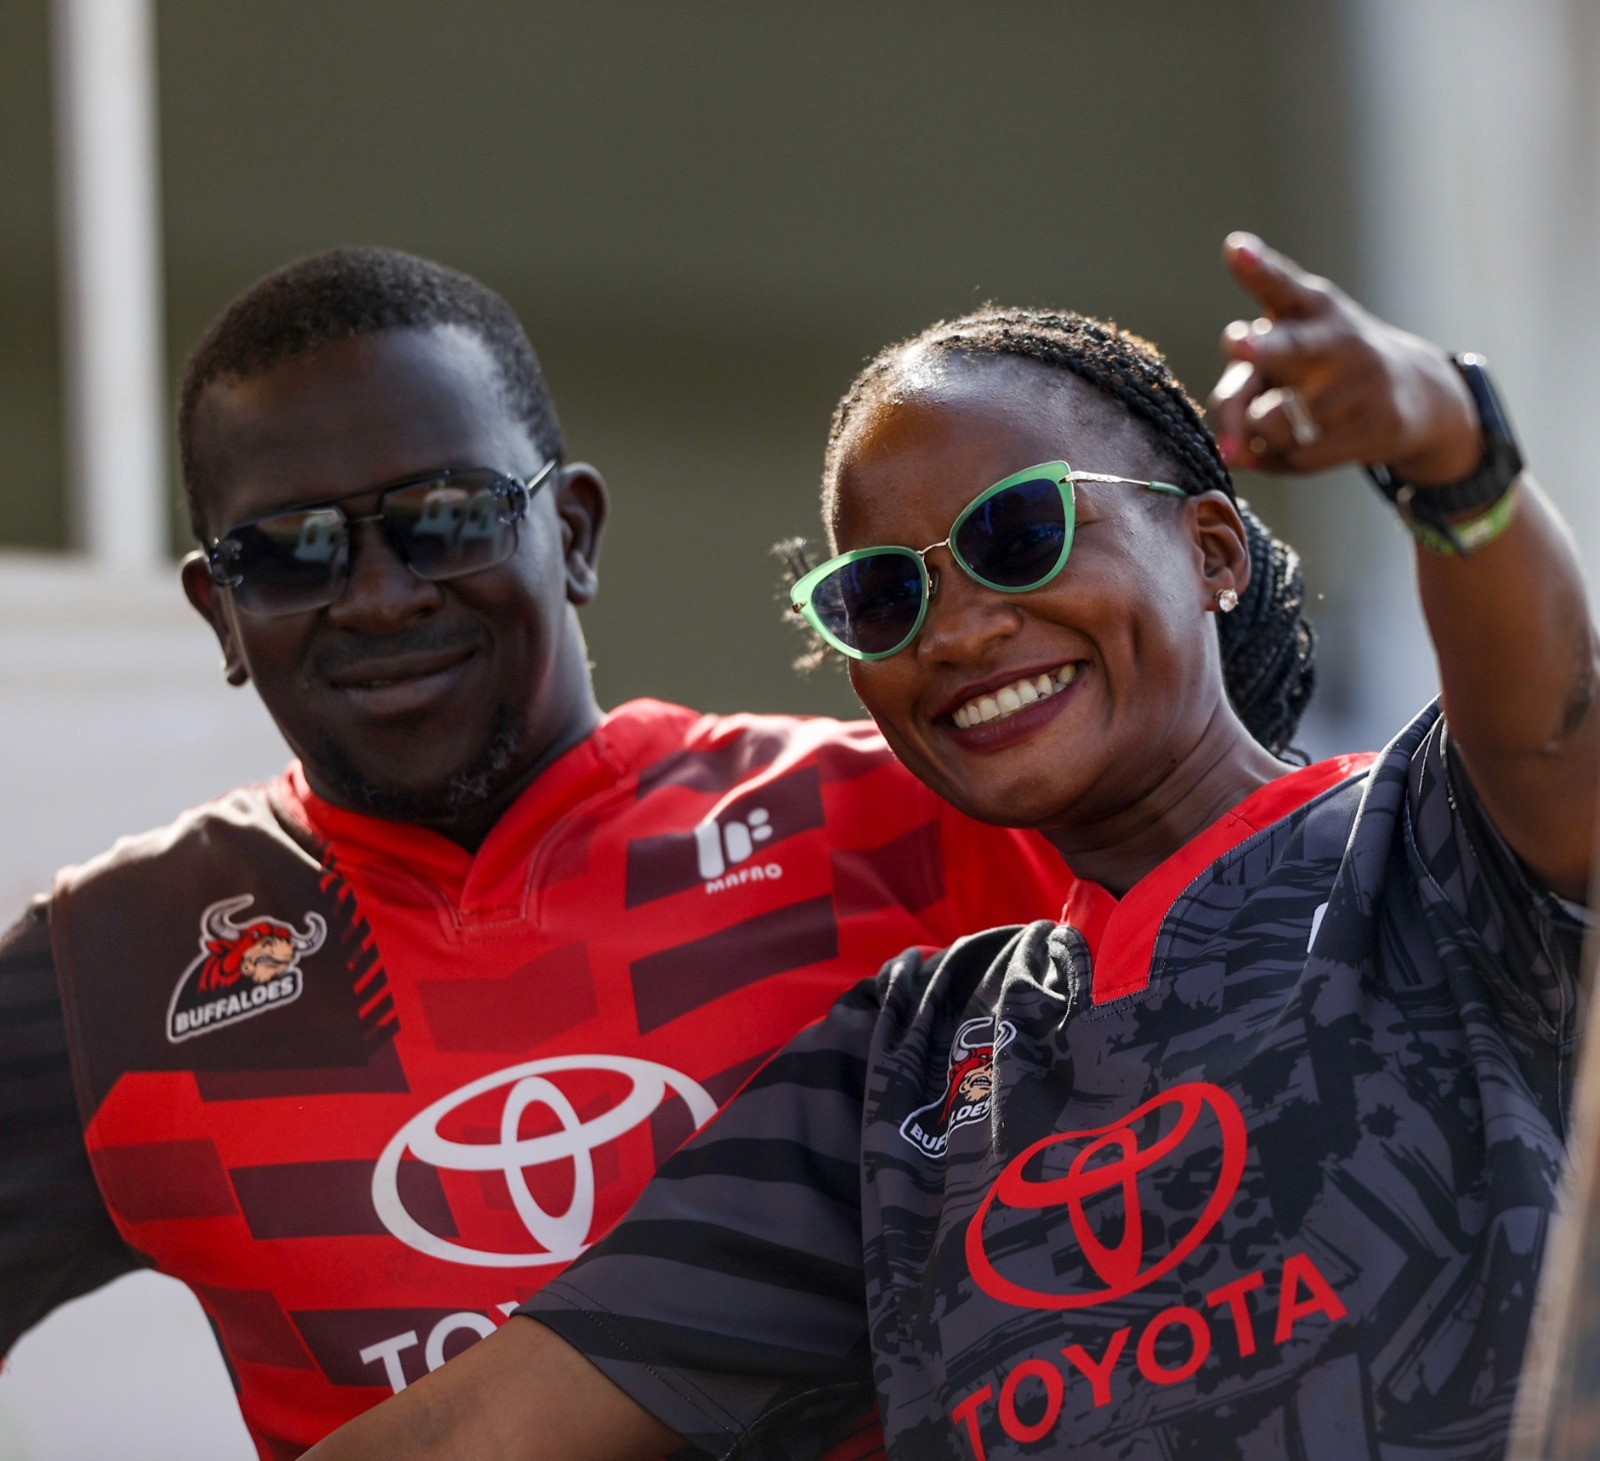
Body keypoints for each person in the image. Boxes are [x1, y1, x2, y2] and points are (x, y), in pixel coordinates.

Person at [303, 234, 1596, 1461]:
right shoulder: (899, 1063)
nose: (963, 632)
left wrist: (1453, 462)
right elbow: (496, 1424)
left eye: (1018, 535)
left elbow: (1551, 737)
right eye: (885, 595)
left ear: (1209, 552)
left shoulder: (1431, 841)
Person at [0, 247, 1096, 1460]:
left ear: (572, 532)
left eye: (445, 520)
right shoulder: (109, 971)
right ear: (221, 613)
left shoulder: (908, 818)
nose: (377, 596)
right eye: (291, 553)